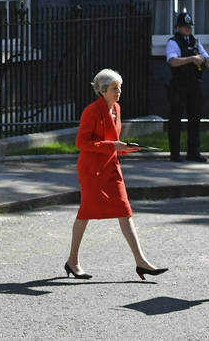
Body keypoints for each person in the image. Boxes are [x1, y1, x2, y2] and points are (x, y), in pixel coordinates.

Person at [64, 68, 167, 281]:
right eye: (114, 88)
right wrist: (114, 145)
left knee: (125, 211)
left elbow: (114, 143)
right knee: (86, 213)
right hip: (92, 170)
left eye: (119, 88)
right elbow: (81, 143)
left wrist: (128, 148)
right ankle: (72, 261)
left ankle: (141, 262)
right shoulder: (91, 111)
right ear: (102, 91)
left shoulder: (117, 109)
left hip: (111, 168)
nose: (118, 92)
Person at [166, 12, 209, 162]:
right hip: (179, 85)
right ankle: (175, 153)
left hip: (194, 84)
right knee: (175, 119)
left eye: (189, 27)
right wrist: (192, 59)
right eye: (185, 27)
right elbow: (172, 61)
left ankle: (193, 151)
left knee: (195, 118)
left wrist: (203, 59)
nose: (188, 30)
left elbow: (208, 60)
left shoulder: (195, 42)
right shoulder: (173, 42)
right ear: (178, 27)